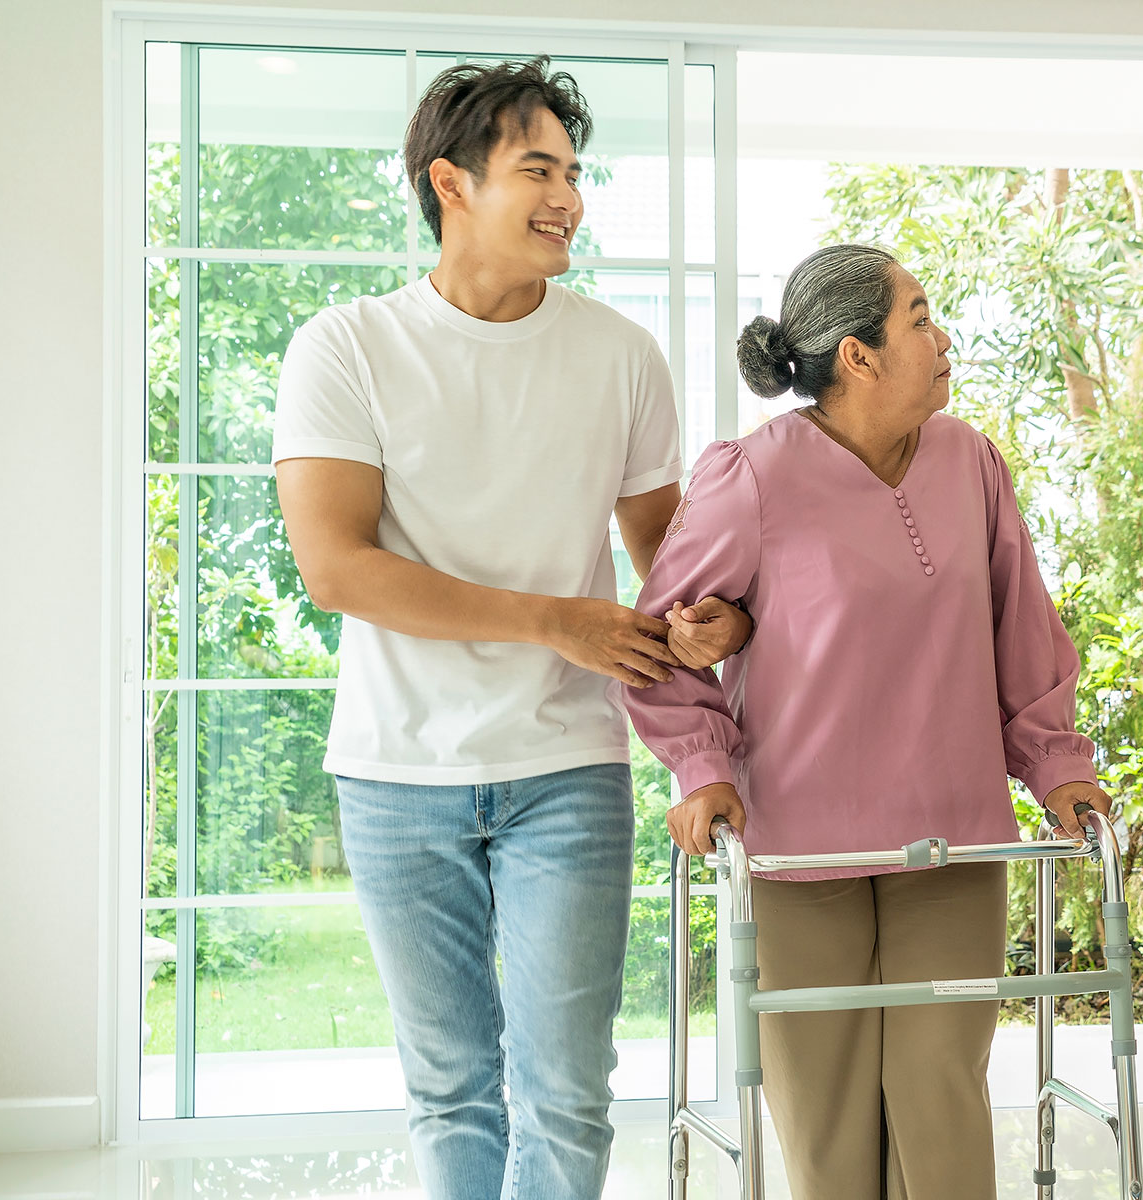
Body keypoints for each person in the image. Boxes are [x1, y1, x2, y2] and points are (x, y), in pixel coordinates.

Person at [272, 57, 746, 1199]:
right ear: (451, 183)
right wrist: (555, 622)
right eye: (538, 169)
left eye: (575, 173)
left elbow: (666, 564)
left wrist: (708, 620)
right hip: (396, 773)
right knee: (451, 1091)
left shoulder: (621, 355)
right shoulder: (346, 347)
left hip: (565, 770)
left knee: (569, 1094)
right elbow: (337, 568)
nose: (568, 198)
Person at [625, 243, 1115, 1200]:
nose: (943, 339)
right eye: (921, 319)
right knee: (826, 1121)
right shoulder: (750, 476)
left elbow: (1021, 629)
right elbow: (661, 635)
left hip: (954, 845)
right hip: (801, 852)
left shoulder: (969, 459)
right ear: (858, 356)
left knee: (942, 1101)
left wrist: (1056, 763)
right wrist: (701, 766)